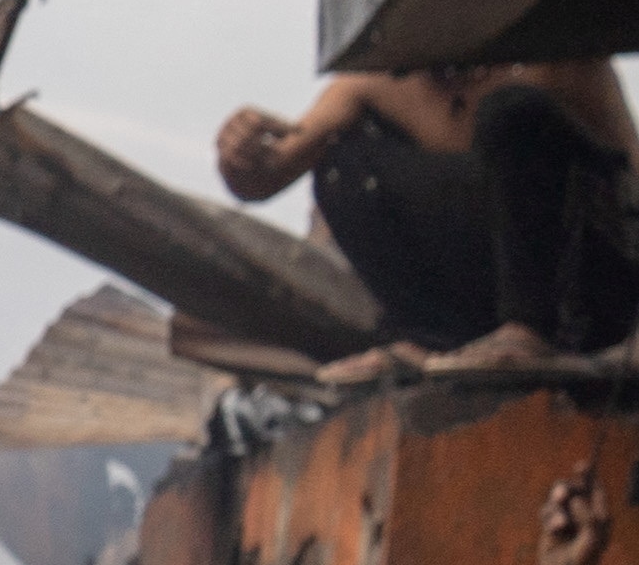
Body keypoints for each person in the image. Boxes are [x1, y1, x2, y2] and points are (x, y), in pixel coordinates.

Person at [216, 59, 639, 362]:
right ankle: (428, 339)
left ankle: (529, 331)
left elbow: (632, 180)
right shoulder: (380, 75)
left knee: (512, 114)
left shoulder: (561, 60)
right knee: (342, 164)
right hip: (475, 305)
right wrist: (239, 154)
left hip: (581, 299)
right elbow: (269, 173)